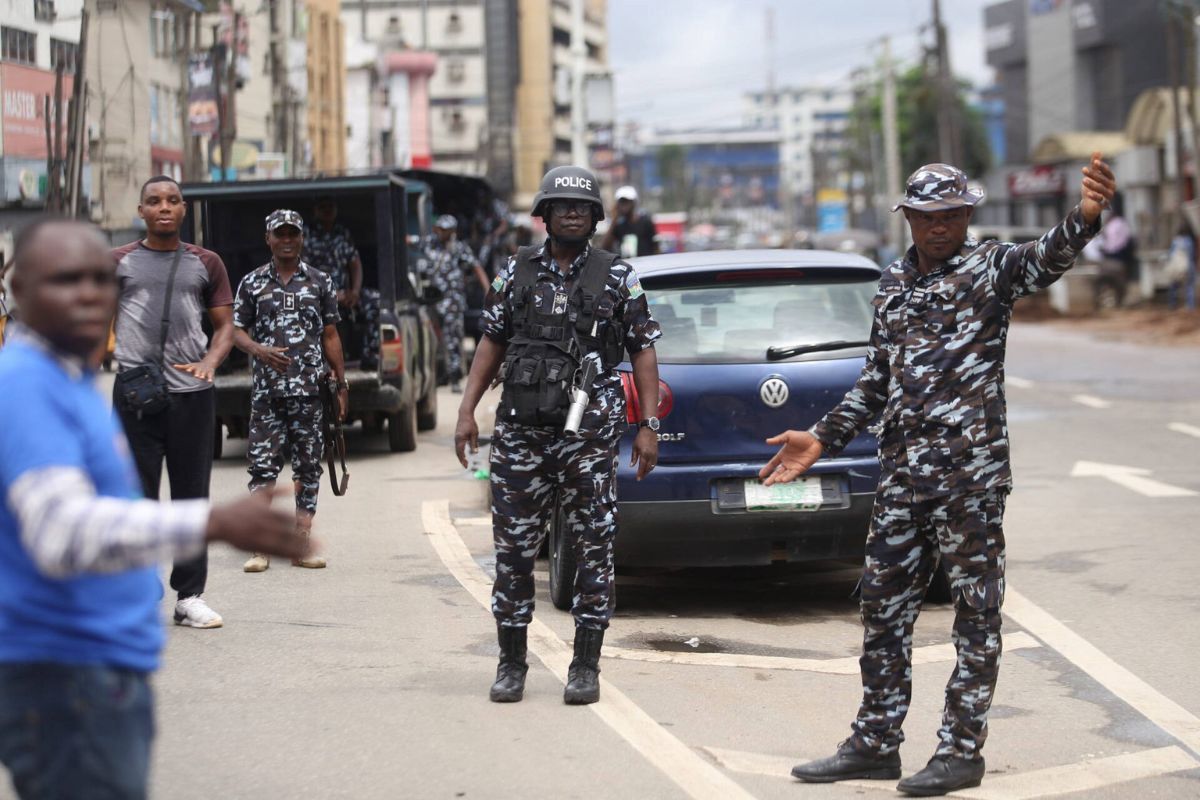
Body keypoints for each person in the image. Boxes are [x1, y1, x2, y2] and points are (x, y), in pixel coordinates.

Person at [764, 155, 1116, 796]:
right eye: (929, 216)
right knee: (881, 609)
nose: (941, 226)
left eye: (953, 215)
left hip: (968, 481)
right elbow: (876, 379)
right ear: (910, 217)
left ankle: (961, 751)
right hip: (901, 478)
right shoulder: (894, 282)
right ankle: (875, 741)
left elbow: (1047, 256)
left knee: (975, 616)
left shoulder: (990, 269)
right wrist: (821, 436)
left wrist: (1086, 217)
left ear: (967, 216)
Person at [0, 217, 307, 800]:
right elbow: (60, 530)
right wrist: (214, 521)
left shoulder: (66, 380)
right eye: (65, 279)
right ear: (21, 293)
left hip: (96, 671)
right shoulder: (25, 384)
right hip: (64, 676)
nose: (89, 293)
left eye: (100, 278)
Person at [455, 165, 661, 706]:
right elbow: (490, 343)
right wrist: (466, 410)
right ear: (543, 214)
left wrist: (648, 427)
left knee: (594, 551)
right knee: (514, 553)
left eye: (583, 207)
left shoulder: (618, 277)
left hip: (590, 441)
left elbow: (642, 350)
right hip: (522, 435)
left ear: (596, 217)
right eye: (561, 205)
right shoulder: (516, 272)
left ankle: (585, 666)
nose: (573, 213)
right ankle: (511, 664)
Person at [111, 175, 234, 629]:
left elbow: (224, 326)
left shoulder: (206, 263)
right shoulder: (117, 263)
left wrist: (211, 360)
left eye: (172, 200)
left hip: (192, 397)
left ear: (184, 209)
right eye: (154, 201)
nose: (164, 207)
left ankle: (190, 596)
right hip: (134, 396)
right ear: (141, 211)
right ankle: (137, 597)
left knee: (190, 500)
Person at [232, 210, 348, 573]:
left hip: (309, 393)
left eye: (292, 234)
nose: (286, 240)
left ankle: (301, 542)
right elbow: (235, 331)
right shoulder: (251, 283)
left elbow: (330, 335)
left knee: (308, 467)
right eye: (279, 234)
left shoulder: (319, 282)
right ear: (268, 238)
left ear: (301, 238)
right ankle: (260, 547)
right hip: (267, 394)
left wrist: (341, 383)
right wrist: (258, 350)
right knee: (263, 470)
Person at [303, 195, 381, 369]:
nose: (327, 211)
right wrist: (329, 295)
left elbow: (355, 264)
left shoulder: (342, 233)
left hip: (344, 294)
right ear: (316, 211)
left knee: (376, 301)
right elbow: (303, 269)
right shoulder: (307, 233)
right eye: (323, 207)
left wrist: (354, 291)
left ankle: (370, 357)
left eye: (331, 207)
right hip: (314, 294)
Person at [424, 214, 489, 392]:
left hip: (452, 300)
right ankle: (439, 374)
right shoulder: (428, 243)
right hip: (431, 301)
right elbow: (406, 241)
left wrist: (489, 291)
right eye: (441, 229)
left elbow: (476, 267)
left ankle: (454, 377)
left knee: (453, 338)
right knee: (432, 339)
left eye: (448, 230)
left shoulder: (459, 248)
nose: (444, 233)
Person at [600, 185, 658, 258]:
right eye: (621, 202)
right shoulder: (619, 226)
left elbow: (656, 246)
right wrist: (614, 219)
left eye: (626, 201)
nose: (623, 205)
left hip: (647, 265)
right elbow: (604, 247)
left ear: (634, 203)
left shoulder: (646, 222)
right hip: (629, 266)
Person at [1165, 221, 1197, 311]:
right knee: (1189, 286)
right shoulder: (1189, 241)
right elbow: (1191, 255)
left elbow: (1170, 254)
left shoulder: (1175, 241)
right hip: (1188, 266)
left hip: (1176, 267)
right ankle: (1190, 306)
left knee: (1173, 286)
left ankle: (1172, 304)